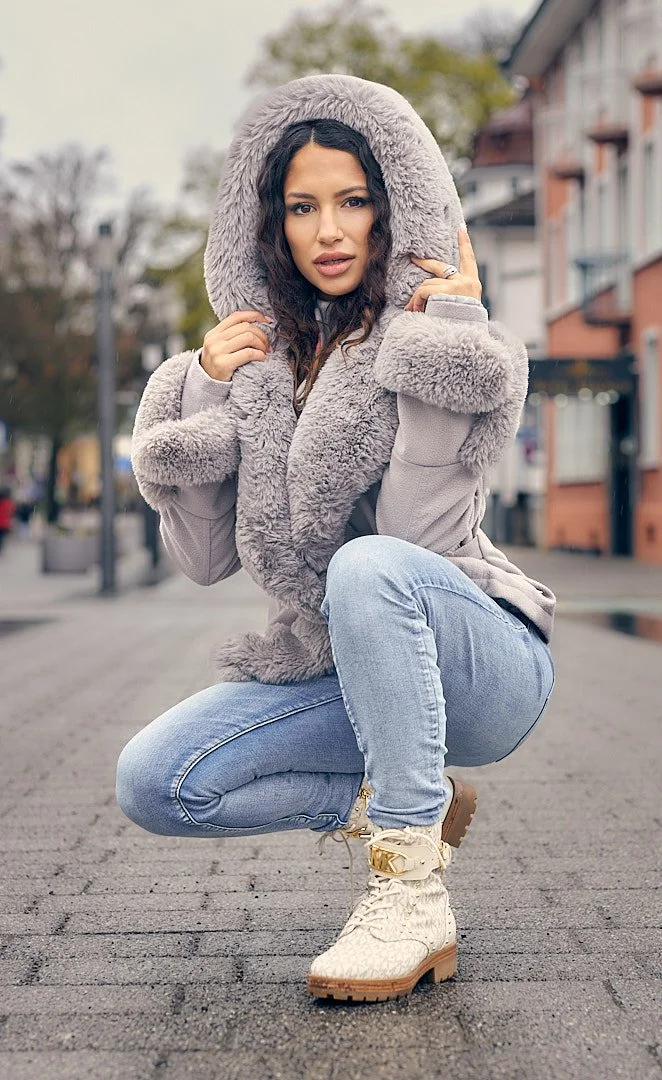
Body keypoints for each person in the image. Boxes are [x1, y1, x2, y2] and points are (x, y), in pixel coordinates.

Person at [117, 74, 556, 1003]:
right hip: (346, 669)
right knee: (155, 780)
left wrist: (445, 340)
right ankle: (399, 807)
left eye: (354, 202)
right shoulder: (268, 368)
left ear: (391, 209)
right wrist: (202, 389)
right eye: (301, 206)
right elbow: (201, 563)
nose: (328, 230)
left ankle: (407, 889)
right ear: (269, 224)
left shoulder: (429, 338)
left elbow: (415, 544)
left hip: (482, 656)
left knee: (368, 565)